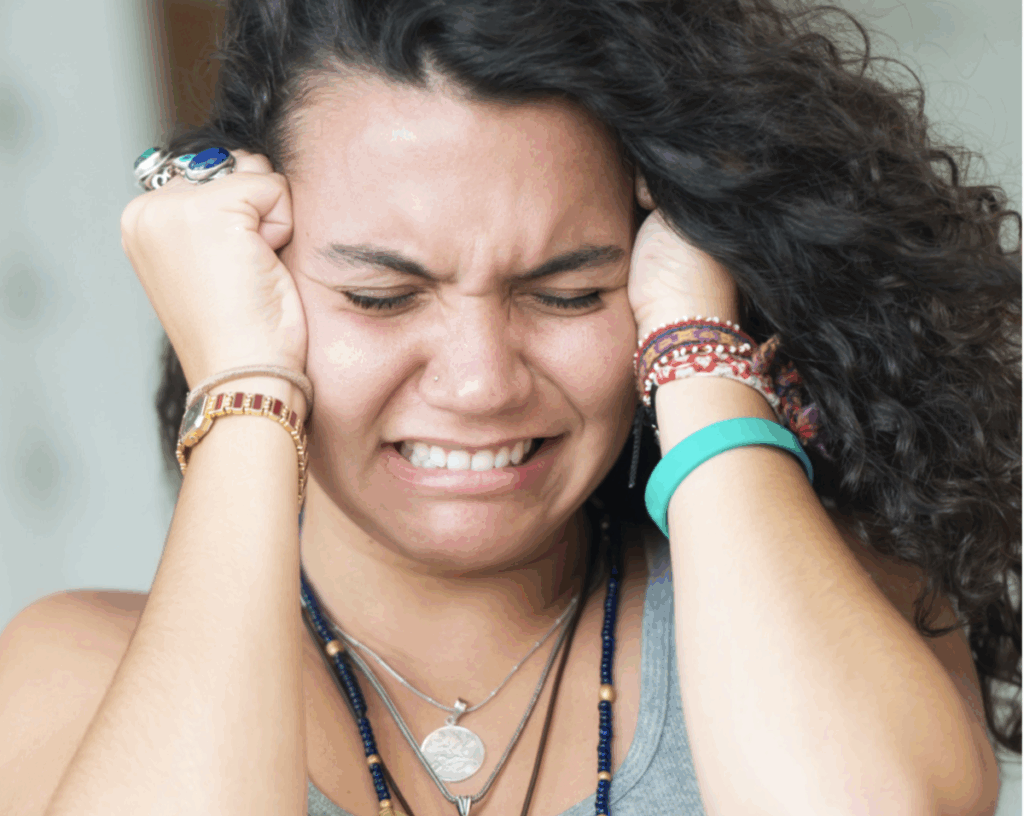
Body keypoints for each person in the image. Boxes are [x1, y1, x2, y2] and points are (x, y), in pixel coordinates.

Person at [0, 0, 1019, 815]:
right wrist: (239, 382)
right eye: (380, 296)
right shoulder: (69, 672)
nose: (481, 380)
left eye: (569, 292)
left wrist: (695, 338)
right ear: (245, 279)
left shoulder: (829, 607)